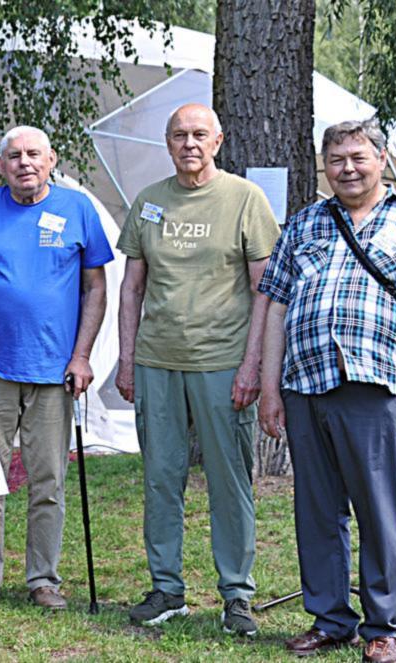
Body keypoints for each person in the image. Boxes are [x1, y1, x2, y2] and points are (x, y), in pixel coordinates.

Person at [258, 119, 396, 662]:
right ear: (324, 166)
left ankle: (384, 627)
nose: (346, 168)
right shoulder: (304, 224)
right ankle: (330, 619)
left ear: (380, 158)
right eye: (336, 159)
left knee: (380, 511)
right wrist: (269, 388)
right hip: (305, 385)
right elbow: (276, 307)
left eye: (357, 156)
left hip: (377, 390)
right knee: (317, 510)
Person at [114, 103, 280, 635]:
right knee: (162, 478)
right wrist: (125, 359)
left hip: (222, 362)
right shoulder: (149, 202)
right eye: (180, 135)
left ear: (218, 140)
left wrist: (252, 364)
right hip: (157, 361)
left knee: (229, 482)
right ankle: (167, 588)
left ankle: (236, 595)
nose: (189, 143)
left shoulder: (244, 199)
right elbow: (131, 288)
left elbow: (264, 290)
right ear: (168, 143)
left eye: (199, 134)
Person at [0, 126, 112, 611]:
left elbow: (95, 288)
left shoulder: (78, 209)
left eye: (33, 154)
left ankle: (43, 579)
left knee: (48, 481)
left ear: (52, 159)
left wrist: (82, 356)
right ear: (0, 165)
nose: (24, 163)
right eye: (13, 156)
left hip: (53, 369)